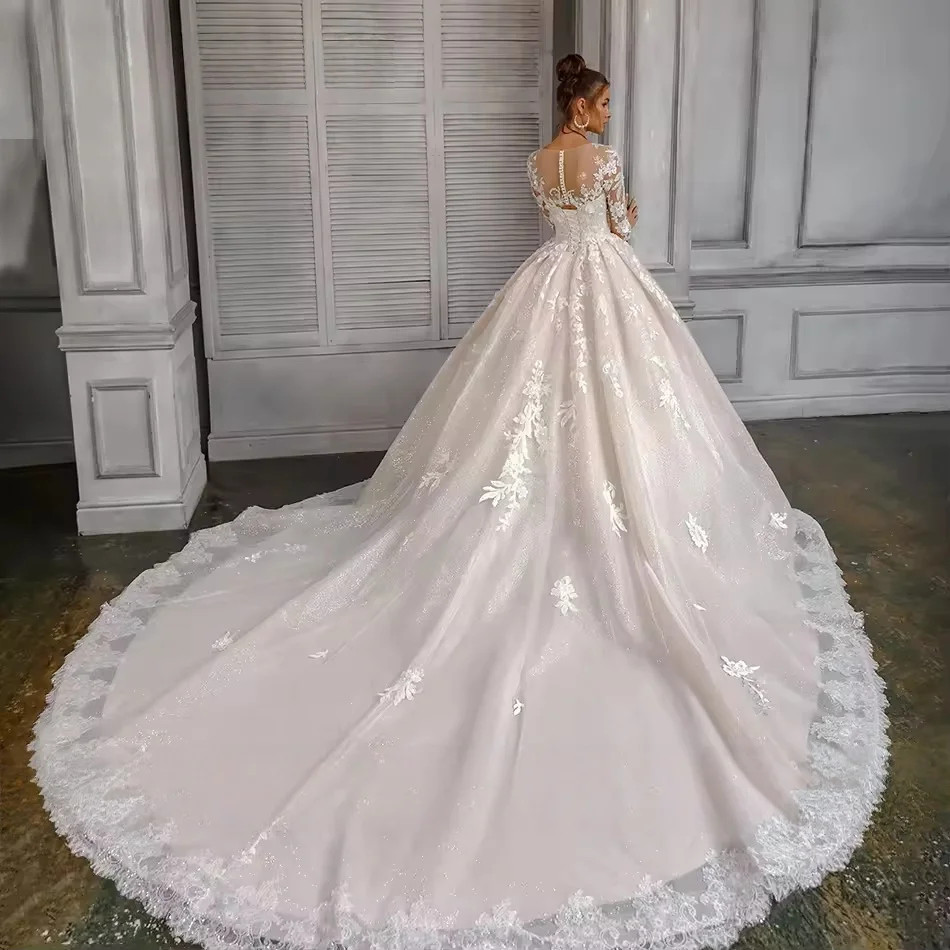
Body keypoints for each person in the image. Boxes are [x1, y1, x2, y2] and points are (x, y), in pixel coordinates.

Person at [32, 53, 888, 950]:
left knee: (524, 414)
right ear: (583, 104)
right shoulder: (601, 162)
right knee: (620, 409)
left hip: (548, 286)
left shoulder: (538, 161)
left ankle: (557, 502)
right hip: (605, 286)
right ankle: (605, 512)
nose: (604, 116)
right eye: (600, 104)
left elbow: (561, 224)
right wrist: (622, 211)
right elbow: (617, 229)